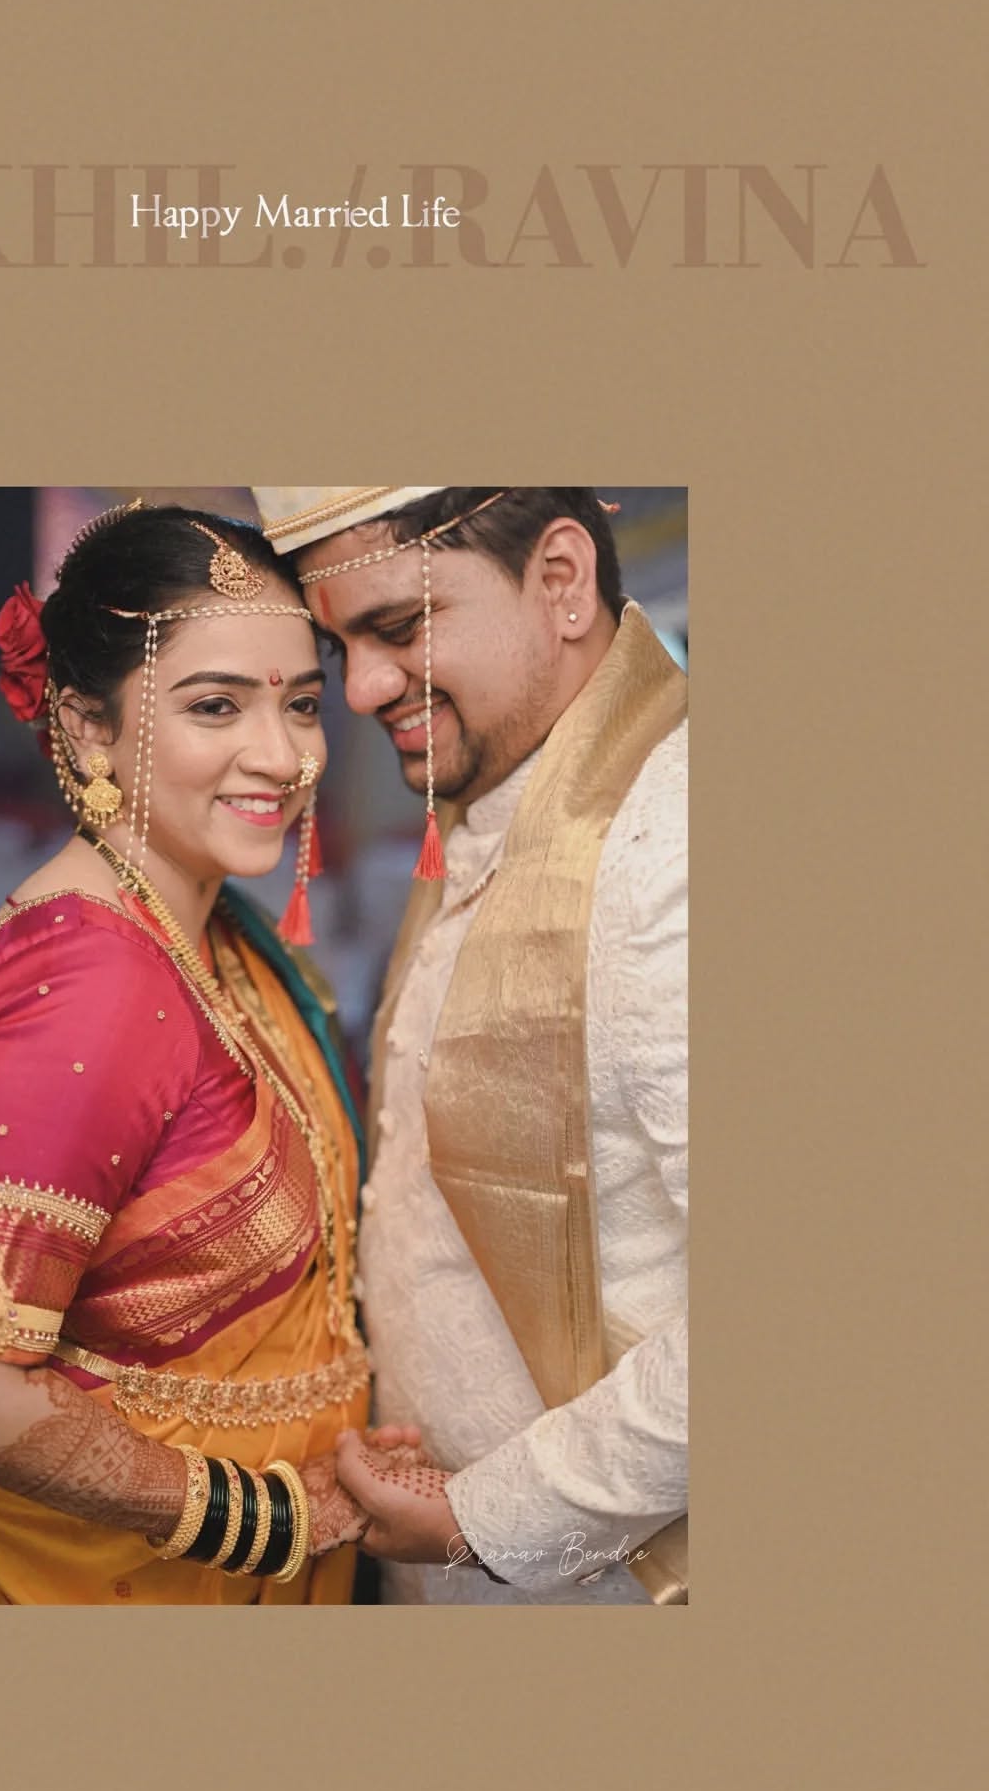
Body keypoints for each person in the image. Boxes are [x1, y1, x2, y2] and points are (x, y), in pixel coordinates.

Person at [251, 488, 688, 1604]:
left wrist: (483, 1517)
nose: (359, 690)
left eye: (400, 627)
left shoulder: (672, 852)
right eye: (341, 648)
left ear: (562, 581)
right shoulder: (490, 806)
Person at [0, 502, 381, 1604]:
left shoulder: (209, 929)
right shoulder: (91, 985)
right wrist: (268, 1518)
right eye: (215, 705)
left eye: (302, 704)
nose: (282, 756)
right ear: (88, 728)